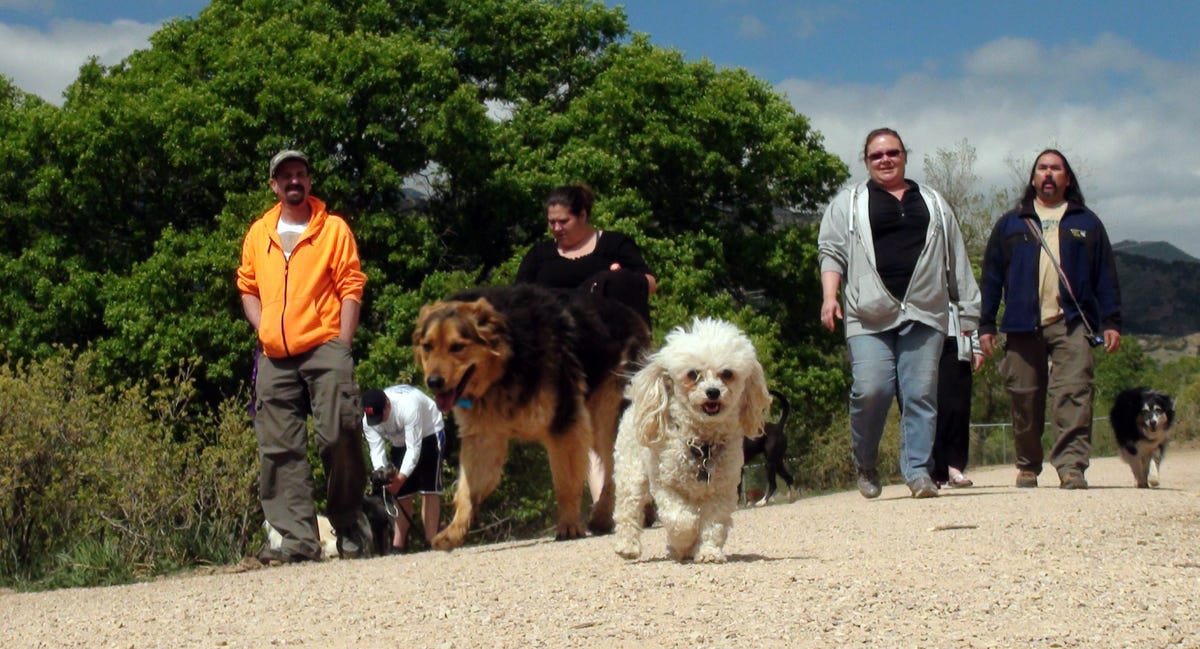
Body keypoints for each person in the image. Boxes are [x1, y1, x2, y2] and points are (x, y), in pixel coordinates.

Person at [817, 127, 980, 499]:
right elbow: (831, 251)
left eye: (892, 152)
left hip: (925, 311)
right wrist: (830, 296)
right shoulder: (850, 202)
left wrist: (969, 315)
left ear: (905, 155)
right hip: (867, 313)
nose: (885, 160)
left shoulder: (935, 203)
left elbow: (956, 257)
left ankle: (918, 471)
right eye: (877, 156)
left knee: (921, 393)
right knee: (872, 389)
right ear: (866, 161)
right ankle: (866, 461)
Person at [237, 149, 372, 563]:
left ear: (309, 182)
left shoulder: (332, 229)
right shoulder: (260, 233)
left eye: (300, 174)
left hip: (325, 345)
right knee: (279, 450)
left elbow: (351, 284)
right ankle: (297, 540)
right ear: (274, 185)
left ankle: (349, 526)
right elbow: (247, 285)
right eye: (285, 176)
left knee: (339, 434)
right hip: (275, 354)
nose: (294, 180)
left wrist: (342, 343)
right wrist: (262, 329)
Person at [978, 149, 1122, 490]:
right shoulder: (1011, 224)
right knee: (1024, 397)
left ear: (1067, 179)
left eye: (1056, 169)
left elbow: (1106, 275)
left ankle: (1071, 466)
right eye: (1042, 168)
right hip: (1021, 323)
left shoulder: (1086, 222)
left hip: (1072, 322)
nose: (1048, 174)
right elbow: (991, 278)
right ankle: (1028, 464)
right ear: (1032, 178)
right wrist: (986, 325)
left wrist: (1111, 321)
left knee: (1073, 393)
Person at [515, 184, 657, 510]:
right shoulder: (540, 256)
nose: (556, 228)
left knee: (627, 420)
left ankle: (634, 494)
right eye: (551, 222)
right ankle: (604, 500)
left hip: (618, 348)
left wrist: (615, 279)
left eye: (563, 221)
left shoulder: (615, 245)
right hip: (567, 355)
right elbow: (519, 302)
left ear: (583, 215)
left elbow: (650, 284)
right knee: (585, 422)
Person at [362, 386, 445, 552]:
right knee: (403, 493)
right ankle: (398, 546)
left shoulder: (408, 406)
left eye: (381, 416)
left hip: (429, 432)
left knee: (428, 489)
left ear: (387, 405)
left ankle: (431, 541)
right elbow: (376, 450)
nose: (378, 421)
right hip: (399, 441)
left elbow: (413, 449)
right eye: (374, 418)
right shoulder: (368, 421)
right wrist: (383, 475)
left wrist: (400, 478)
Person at [932, 329, 984, 488]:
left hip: (957, 337)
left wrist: (977, 347)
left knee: (958, 406)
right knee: (932, 407)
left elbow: (971, 308)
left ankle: (954, 467)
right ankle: (933, 470)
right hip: (924, 336)